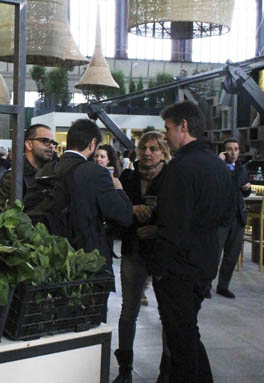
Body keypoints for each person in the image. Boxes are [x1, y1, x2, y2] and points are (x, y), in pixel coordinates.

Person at [150, 101, 234, 382]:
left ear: (183, 127)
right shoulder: (219, 166)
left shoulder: (181, 167)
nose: (166, 136)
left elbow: (172, 225)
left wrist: (158, 267)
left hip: (178, 269)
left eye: (168, 129)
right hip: (205, 263)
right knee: (187, 332)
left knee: (181, 342)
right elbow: (227, 215)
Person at [114, 131, 172, 383]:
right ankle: (124, 369)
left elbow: (180, 216)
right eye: (143, 148)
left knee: (168, 313)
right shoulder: (128, 176)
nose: (147, 153)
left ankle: (167, 372)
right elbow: (116, 211)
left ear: (163, 152)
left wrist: (158, 230)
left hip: (162, 254)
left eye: (153, 148)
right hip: (133, 250)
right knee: (129, 310)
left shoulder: (172, 177)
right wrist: (130, 209)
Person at [56, 118, 133, 278]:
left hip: (56, 257)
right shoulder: (95, 173)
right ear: (92, 144)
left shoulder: (48, 168)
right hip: (88, 261)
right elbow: (123, 216)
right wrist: (119, 189)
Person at [212, 138, 251, 299]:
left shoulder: (242, 169)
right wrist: (219, 163)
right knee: (214, 254)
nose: (233, 152)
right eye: (229, 149)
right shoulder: (217, 168)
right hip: (221, 217)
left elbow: (243, 192)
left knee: (232, 255)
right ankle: (205, 285)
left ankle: (223, 286)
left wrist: (247, 189)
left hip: (238, 217)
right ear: (223, 151)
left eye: (236, 149)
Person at [0, 124, 55, 209]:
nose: (51, 146)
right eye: (45, 141)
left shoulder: (52, 174)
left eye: (53, 143)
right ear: (29, 144)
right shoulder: (13, 177)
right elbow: (7, 215)